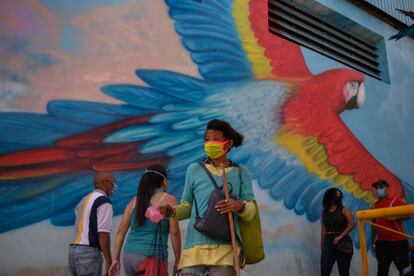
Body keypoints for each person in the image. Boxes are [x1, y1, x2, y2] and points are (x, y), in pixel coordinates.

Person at [161, 119, 256, 276]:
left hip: (226, 252)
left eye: (216, 139)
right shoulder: (194, 169)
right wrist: (170, 212)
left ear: (228, 143)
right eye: (207, 139)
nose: (210, 143)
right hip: (193, 252)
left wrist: (240, 206)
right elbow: (187, 208)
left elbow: (251, 210)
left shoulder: (241, 172)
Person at [108, 165, 181, 276]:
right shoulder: (169, 199)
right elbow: (174, 232)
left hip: (129, 256)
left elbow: (120, 231)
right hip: (151, 257)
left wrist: (115, 259)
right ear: (164, 181)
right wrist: (178, 259)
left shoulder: (134, 200)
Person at [69, 171, 117, 276]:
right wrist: (108, 261)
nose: (115, 185)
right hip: (88, 254)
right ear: (105, 183)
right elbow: (103, 234)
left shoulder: (84, 200)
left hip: (73, 252)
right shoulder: (104, 202)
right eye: (113, 182)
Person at [371, 180, 409, 276]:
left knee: (404, 271)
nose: (378, 190)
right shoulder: (374, 205)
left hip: (398, 242)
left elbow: (408, 214)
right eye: (376, 188)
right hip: (382, 243)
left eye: (381, 187)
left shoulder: (395, 200)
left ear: (387, 188)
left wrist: (396, 217)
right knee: (382, 272)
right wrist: (373, 241)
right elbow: (374, 225)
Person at [320, 187, 355, 276]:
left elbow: (352, 224)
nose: (337, 197)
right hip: (328, 241)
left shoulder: (344, 209)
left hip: (343, 241)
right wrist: (322, 246)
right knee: (324, 271)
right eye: (335, 195)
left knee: (343, 272)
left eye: (338, 196)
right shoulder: (324, 212)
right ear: (329, 197)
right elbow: (324, 230)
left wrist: (340, 236)